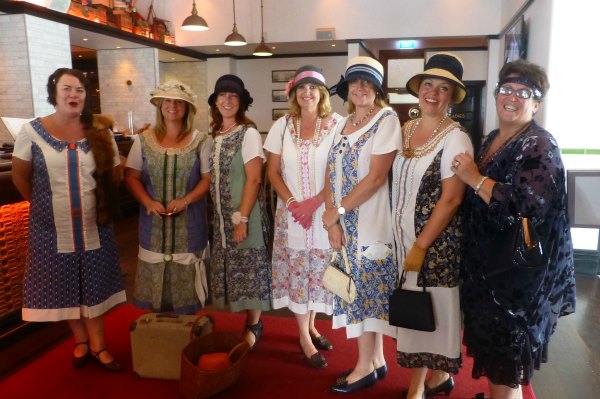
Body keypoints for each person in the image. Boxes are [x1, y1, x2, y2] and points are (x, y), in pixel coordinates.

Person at [452, 60, 576, 399]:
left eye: (524, 93)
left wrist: (474, 178)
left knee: (506, 353)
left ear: (536, 104)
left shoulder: (539, 145)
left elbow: (527, 206)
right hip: (486, 266)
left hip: (514, 279)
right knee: (495, 355)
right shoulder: (494, 137)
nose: (513, 97)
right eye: (507, 89)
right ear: (496, 95)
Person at [11, 68, 126, 371]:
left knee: (94, 284)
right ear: (54, 93)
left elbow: (115, 173)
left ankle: (99, 346)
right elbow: (20, 176)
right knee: (62, 285)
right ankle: (80, 341)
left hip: (94, 224)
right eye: (67, 89)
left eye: (79, 90)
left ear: (86, 96)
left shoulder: (100, 132)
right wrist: (42, 206)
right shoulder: (31, 131)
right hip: (50, 228)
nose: (73, 95)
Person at [391, 53, 474, 399]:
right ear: (418, 89)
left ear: (452, 97)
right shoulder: (406, 128)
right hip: (402, 237)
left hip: (433, 244)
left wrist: (421, 244)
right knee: (417, 311)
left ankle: (416, 389)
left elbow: (452, 199)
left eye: (443, 88)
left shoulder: (456, 137)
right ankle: (438, 378)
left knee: (428, 314)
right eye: (428, 84)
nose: (433, 93)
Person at [322, 56, 401, 393]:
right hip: (344, 224)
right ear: (347, 87)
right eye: (355, 82)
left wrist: (337, 211)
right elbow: (330, 172)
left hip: (371, 223)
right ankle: (378, 358)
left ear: (377, 88)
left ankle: (364, 365)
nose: (360, 88)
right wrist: (332, 221)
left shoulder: (386, 120)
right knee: (355, 288)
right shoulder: (341, 123)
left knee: (368, 294)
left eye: (367, 83)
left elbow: (376, 178)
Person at [264, 65, 342, 369]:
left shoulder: (337, 124)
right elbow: (272, 171)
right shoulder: (282, 126)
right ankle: (303, 336)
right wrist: (295, 203)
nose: (307, 93)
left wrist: (315, 203)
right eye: (301, 88)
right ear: (294, 93)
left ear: (321, 93)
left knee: (317, 273)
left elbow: (337, 171)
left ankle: (312, 325)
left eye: (313, 88)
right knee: (298, 273)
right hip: (291, 212)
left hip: (324, 213)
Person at [125, 81, 212, 314]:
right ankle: (158, 336)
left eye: (178, 102)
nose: (172, 105)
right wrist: (148, 202)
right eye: (167, 101)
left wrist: (186, 200)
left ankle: (187, 333)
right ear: (160, 105)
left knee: (188, 299)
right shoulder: (143, 140)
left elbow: (207, 179)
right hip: (153, 224)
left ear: (187, 108)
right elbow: (131, 177)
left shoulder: (202, 140)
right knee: (155, 297)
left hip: (190, 222)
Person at [208, 74, 272, 349]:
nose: (227, 100)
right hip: (222, 219)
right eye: (222, 95)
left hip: (246, 215)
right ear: (215, 102)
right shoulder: (215, 135)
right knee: (237, 268)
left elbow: (254, 179)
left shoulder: (249, 133)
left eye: (233, 96)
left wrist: (242, 217)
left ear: (241, 102)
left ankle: (254, 323)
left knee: (250, 267)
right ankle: (249, 321)